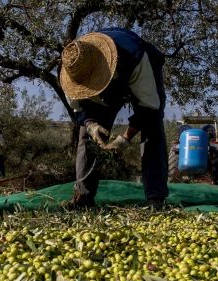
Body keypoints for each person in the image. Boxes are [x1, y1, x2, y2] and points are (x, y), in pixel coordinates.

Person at [59, 28, 169, 208]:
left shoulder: (136, 57)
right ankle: (83, 197)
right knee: (86, 137)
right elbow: (79, 110)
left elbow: (149, 107)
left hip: (136, 73)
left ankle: (156, 198)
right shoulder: (72, 69)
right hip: (105, 91)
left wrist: (125, 138)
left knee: (152, 129)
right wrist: (91, 125)